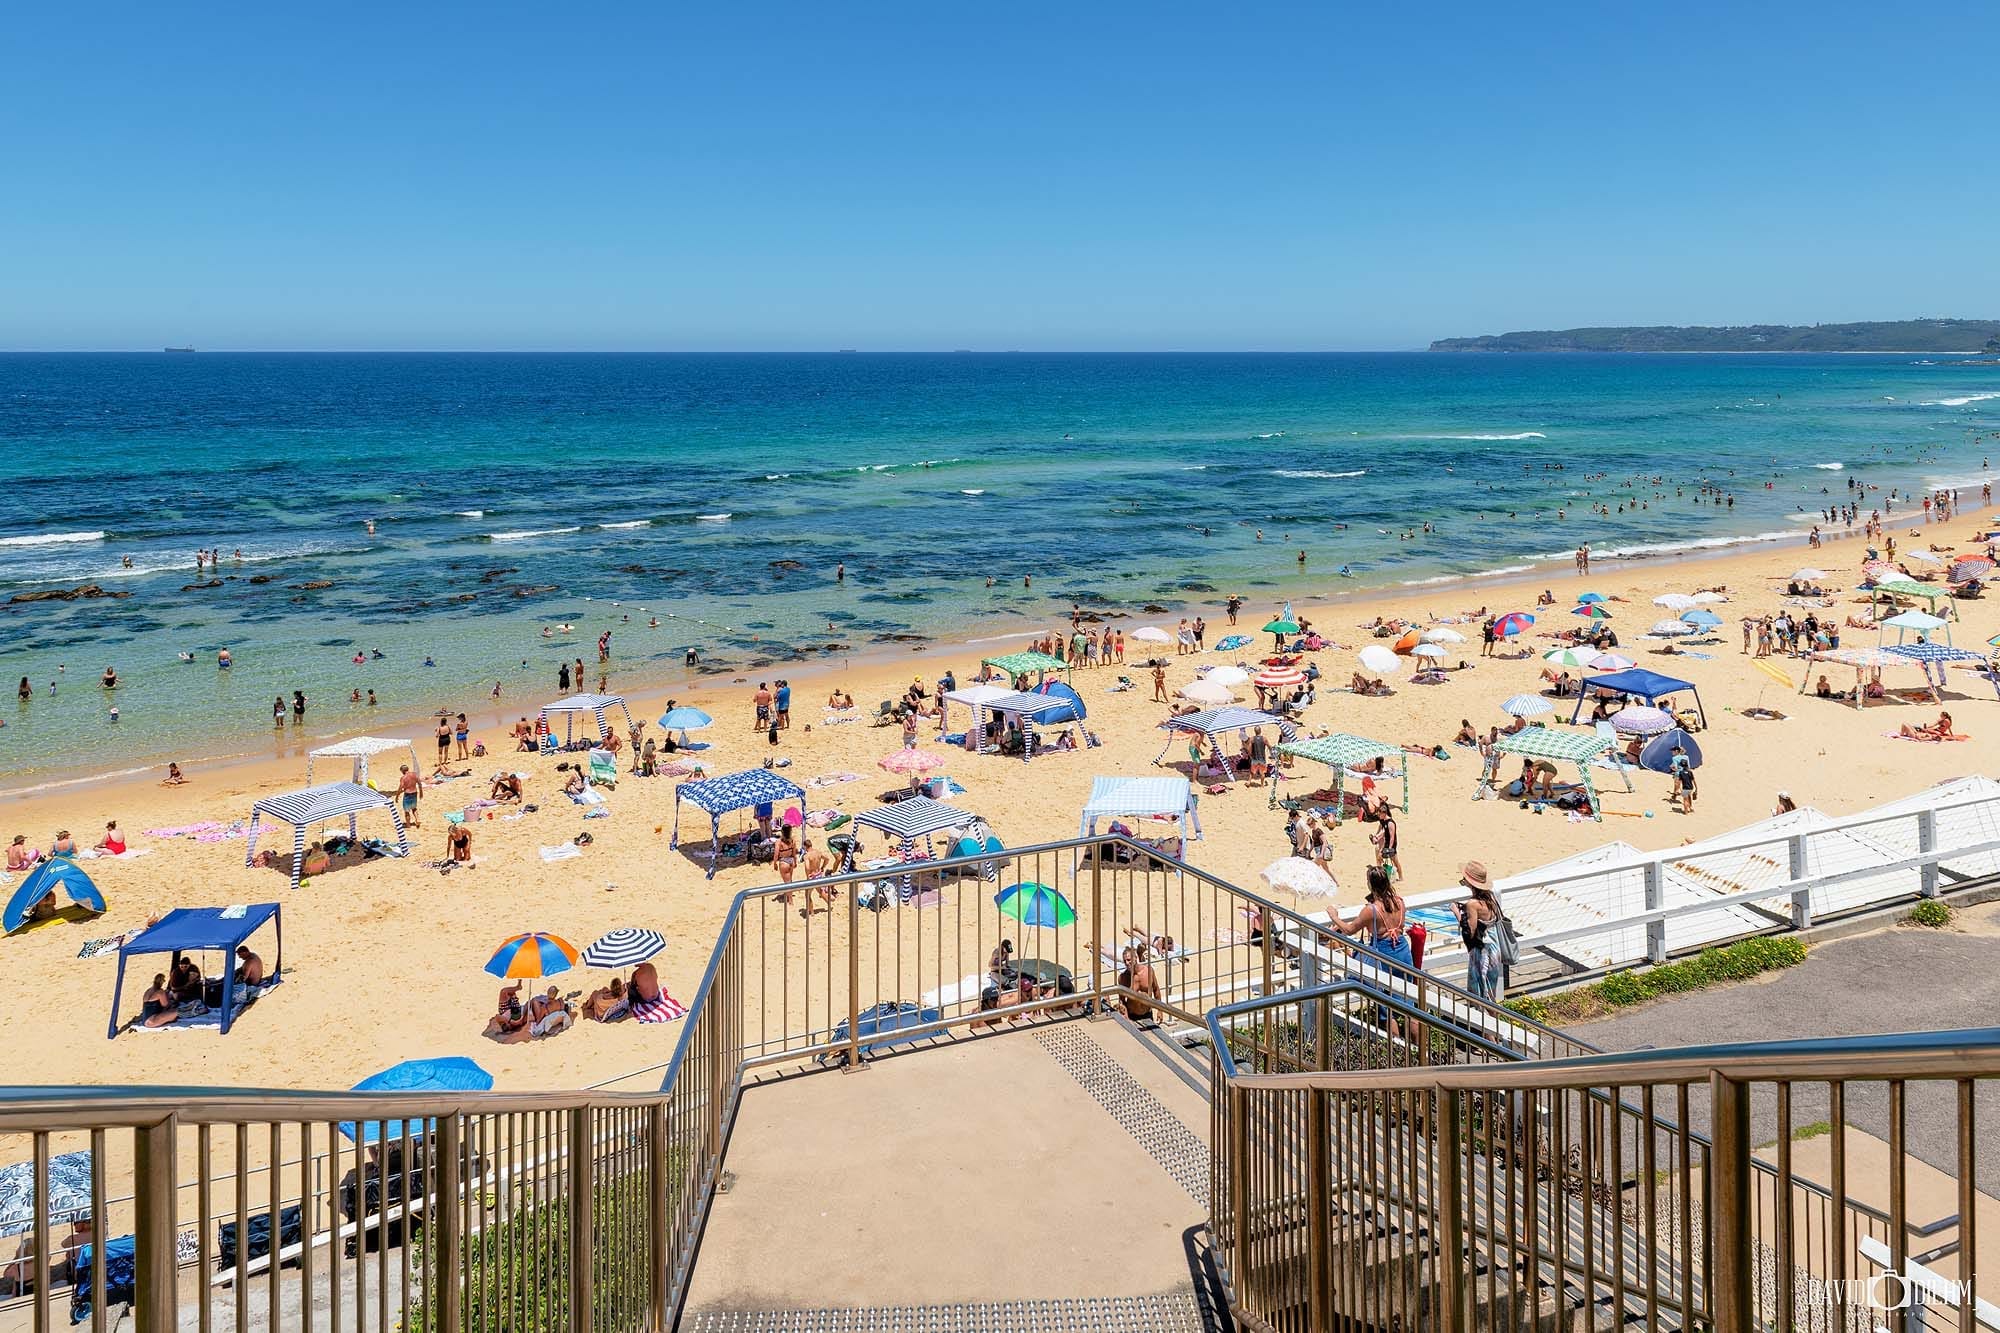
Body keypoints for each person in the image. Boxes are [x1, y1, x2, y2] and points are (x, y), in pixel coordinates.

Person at [1453, 861, 1506, 1002]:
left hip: (1482, 951)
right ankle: (1494, 1020)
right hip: (1495, 947)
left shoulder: (1472, 904)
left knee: (1480, 992)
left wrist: (1457, 913)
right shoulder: (1491, 898)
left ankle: (1487, 1022)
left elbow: (1469, 931)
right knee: (1491, 990)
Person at [1372, 805, 1402, 880]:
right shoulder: (1384, 821)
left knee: (1395, 861)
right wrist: (1377, 837)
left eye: (1379, 814)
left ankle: (1401, 877)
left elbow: (1392, 837)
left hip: (1391, 845)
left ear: (1384, 813)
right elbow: (1383, 832)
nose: (1378, 816)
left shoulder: (1390, 823)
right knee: (1379, 857)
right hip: (1386, 843)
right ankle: (1381, 875)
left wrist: (1389, 849)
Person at [1669, 744, 1698, 814]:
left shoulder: (1674, 758)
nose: (1672, 752)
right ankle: (1690, 807)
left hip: (1679, 774)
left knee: (1677, 787)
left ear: (1676, 751)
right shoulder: (1686, 757)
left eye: (1672, 751)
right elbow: (1688, 766)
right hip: (1687, 774)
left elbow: (1675, 768)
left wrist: (1672, 768)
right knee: (1688, 793)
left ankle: (1675, 796)